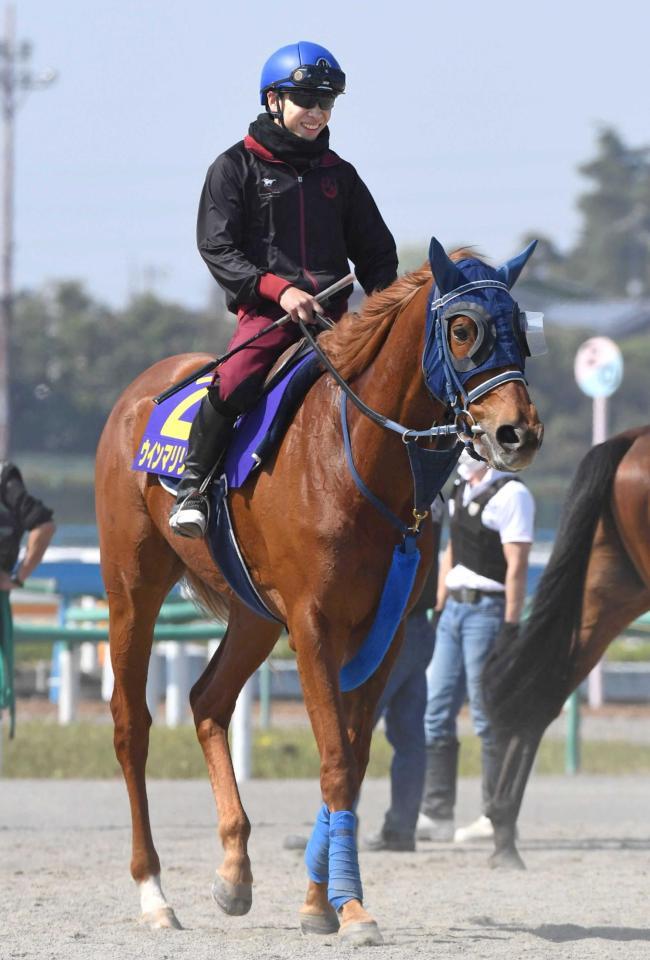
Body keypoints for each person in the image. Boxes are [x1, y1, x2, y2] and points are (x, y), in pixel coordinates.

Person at [170, 40, 398, 538]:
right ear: (273, 100)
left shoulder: (342, 175)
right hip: (266, 317)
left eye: (326, 101)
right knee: (234, 379)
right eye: (306, 100)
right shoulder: (233, 167)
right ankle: (192, 486)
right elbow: (217, 248)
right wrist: (280, 291)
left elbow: (379, 255)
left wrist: (384, 312)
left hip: (335, 322)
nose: (317, 113)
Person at [416, 449, 534, 843]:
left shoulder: (512, 495)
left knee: (485, 714)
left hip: (488, 609)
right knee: (435, 710)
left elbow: (517, 564)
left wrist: (511, 624)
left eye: (473, 447)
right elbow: (451, 550)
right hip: (453, 609)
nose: (465, 454)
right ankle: (437, 811)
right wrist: (439, 604)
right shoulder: (459, 490)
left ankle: (493, 813)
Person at [361, 499, 444, 851]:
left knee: (356, 725)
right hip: (420, 622)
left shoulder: (405, 496)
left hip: (391, 623)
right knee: (409, 734)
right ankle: (402, 827)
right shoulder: (435, 499)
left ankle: (335, 824)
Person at [0, 461, 56, 737]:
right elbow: (43, 525)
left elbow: (43, 525)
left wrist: (18, 576)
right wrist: (18, 576)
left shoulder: (5, 480)